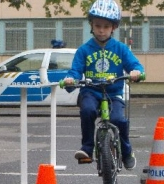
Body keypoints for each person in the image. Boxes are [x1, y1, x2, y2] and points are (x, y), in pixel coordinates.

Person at [62, 0, 144, 170]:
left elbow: (135, 65)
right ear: (91, 25)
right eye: (98, 25)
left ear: (113, 27)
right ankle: (87, 149)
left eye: (106, 26)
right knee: (87, 110)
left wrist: (136, 72)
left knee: (119, 120)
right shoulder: (84, 50)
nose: (101, 30)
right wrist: (71, 80)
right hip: (91, 92)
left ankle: (127, 152)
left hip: (113, 93)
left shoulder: (120, 49)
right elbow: (75, 71)